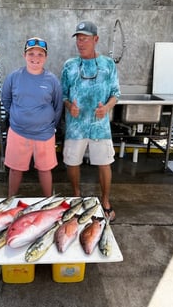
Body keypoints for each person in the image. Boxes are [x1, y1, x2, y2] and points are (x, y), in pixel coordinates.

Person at [61, 20, 121, 221]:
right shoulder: (69, 65)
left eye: (85, 38)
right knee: (72, 162)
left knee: (104, 163)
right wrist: (70, 106)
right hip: (76, 126)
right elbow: (62, 95)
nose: (80, 42)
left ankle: (105, 200)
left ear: (96, 39)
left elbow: (115, 93)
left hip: (99, 126)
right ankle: (76, 196)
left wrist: (106, 108)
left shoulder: (108, 64)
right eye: (78, 38)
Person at [2, 37, 63, 197]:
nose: (35, 58)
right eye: (31, 53)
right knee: (15, 169)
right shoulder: (13, 77)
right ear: (24, 55)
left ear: (46, 57)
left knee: (45, 169)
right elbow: (6, 100)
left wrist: (48, 125)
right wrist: (19, 118)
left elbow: (58, 106)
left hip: (44, 133)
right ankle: (10, 199)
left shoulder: (52, 80)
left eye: (40, 54)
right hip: (18, 132)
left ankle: (48, 200)